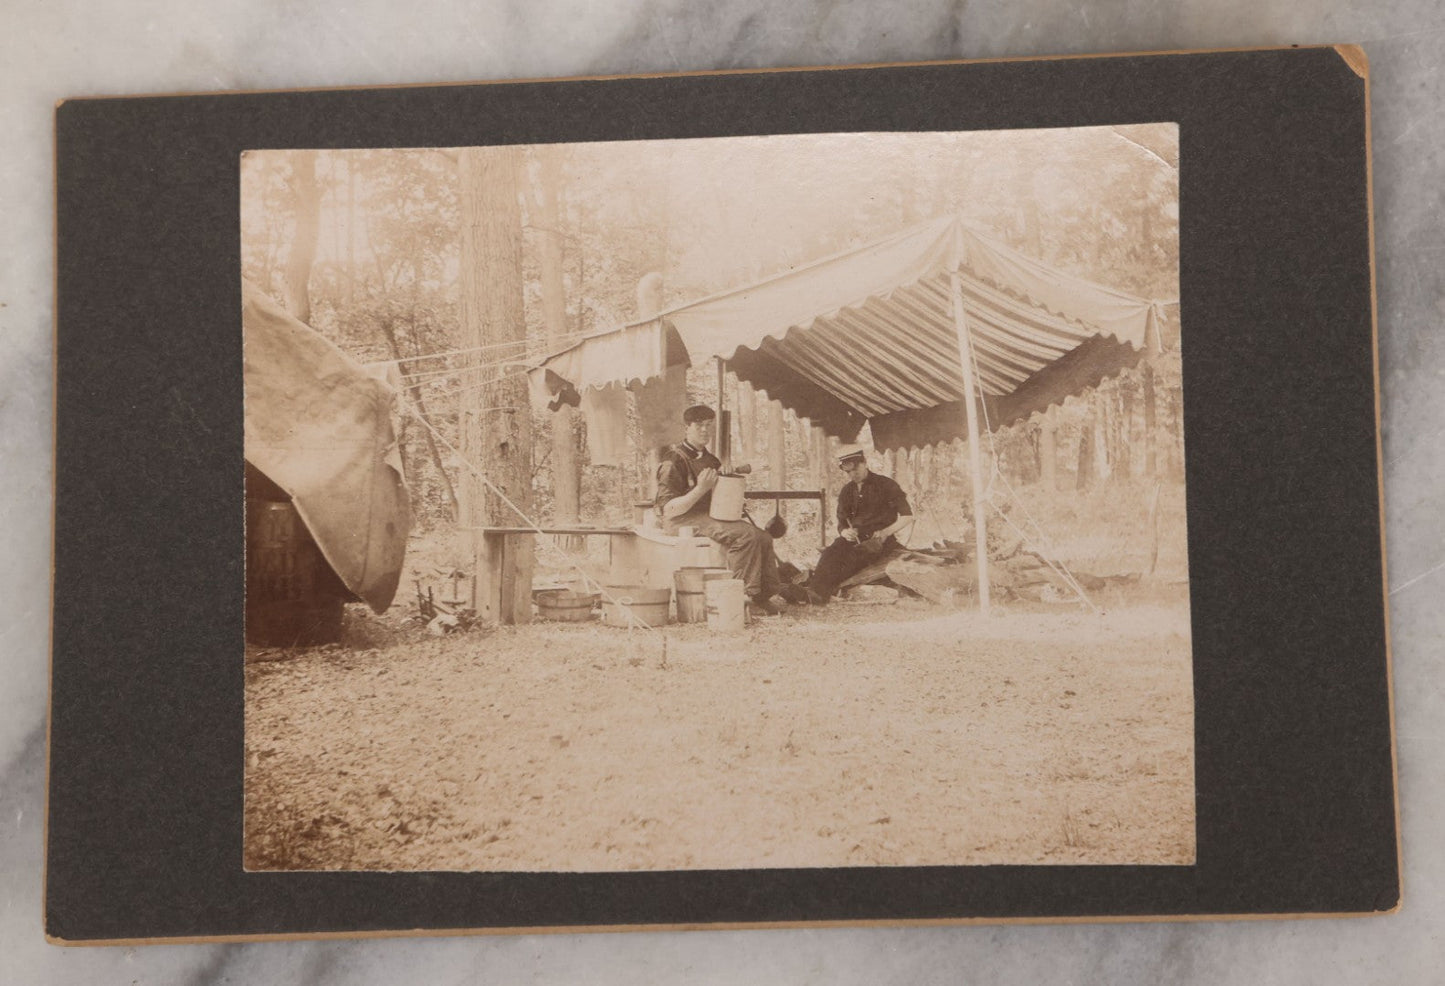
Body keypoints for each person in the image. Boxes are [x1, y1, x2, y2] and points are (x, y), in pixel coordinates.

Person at [654, 405, 786, 614]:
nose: (705, 430)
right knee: (746, 535)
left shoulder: (711, 460)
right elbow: (668, 510)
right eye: (699, 425)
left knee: (763, 537)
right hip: (680, 521)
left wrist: (727, 479)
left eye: (709, 425)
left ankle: (763, 597)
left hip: (708, 517)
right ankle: (741, 599)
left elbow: (720, 499)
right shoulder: (673, 461)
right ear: (686, 428)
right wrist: (701, 488)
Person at [807, 445, 914, 604]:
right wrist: (845, 532)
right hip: (854, 539)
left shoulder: (886, 485)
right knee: (830, 553)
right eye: (848, 472)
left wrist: (885, 532)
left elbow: (907, 516)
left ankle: (818, 593)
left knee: (851, 560)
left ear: (864, 463)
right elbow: (842, 522)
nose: (853, 474)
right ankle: (812, 593)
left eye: (855, 469)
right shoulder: (847, 491)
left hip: (879, 542)